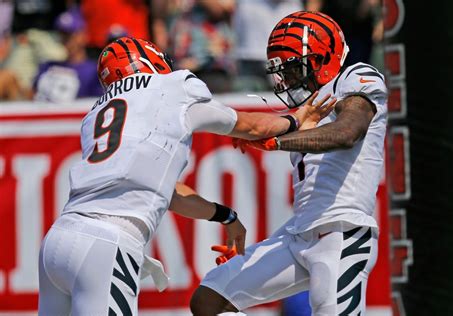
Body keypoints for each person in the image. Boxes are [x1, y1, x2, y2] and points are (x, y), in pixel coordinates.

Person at [37, 36, 333, 315]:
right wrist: (295, 120)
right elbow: (252, 127)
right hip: (106, 240)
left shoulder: (94, 114)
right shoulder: (175, 85)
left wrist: (224, 216)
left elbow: (166, 191)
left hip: (57, 242)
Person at [191, 10, 387, 315]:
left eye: (295, 69)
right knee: (209, 299)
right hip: (298, 232)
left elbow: (348, 132)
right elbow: (265, 125)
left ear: (324, 59)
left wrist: (277, 142)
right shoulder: (308, 107)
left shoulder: (356, 77)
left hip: (342, 229)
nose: (287, 79)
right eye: (283, 71)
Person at [33, 7, 103, 103]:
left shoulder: (94, 71)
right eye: (63, 34)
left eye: (71, 35)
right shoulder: (47, 66)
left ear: (84, 35)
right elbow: (31, 97)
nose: (67, 40)